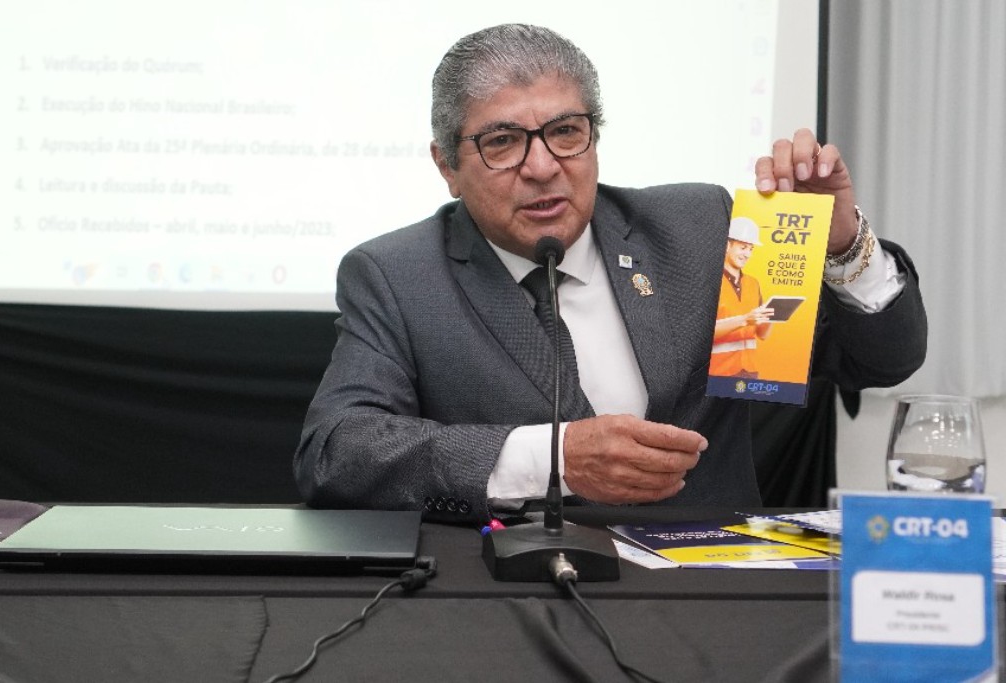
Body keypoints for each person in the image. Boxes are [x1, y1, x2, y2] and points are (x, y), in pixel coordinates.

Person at [295, 23, 926, 524]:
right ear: (447, 166)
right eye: (503, 142)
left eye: (566, 132)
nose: (543, 166)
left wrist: (843, 245)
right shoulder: (399, 275)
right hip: (511, 594)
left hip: (713, 590)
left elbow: (877, 361)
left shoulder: (699, 229)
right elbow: (336, 452)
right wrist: (552, 459)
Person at [710, 217, 773, 378]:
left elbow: (762, 335)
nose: (747, 254)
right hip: (718, 372)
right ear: (727, 245)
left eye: (751, 249)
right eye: (743, 247)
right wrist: (744, 320)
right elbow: (701, 334)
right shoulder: (710, 282)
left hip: (749, 371)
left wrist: (772, 317)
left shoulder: (753, 283)